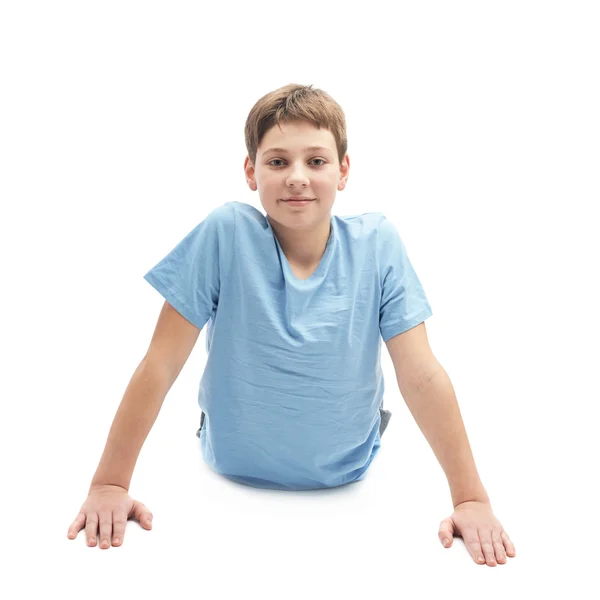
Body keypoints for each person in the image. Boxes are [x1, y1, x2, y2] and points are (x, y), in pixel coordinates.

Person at [67, 83, 516, 566]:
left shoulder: (377, 243)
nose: (297, 177)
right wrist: (109, 483)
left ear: (343, 170)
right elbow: (160, 363)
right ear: (251, 171)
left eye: (316, 162)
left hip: (348, 469)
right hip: (230, 462)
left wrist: (470, 498)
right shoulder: (226, 232)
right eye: (277, 162)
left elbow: (422, 375)